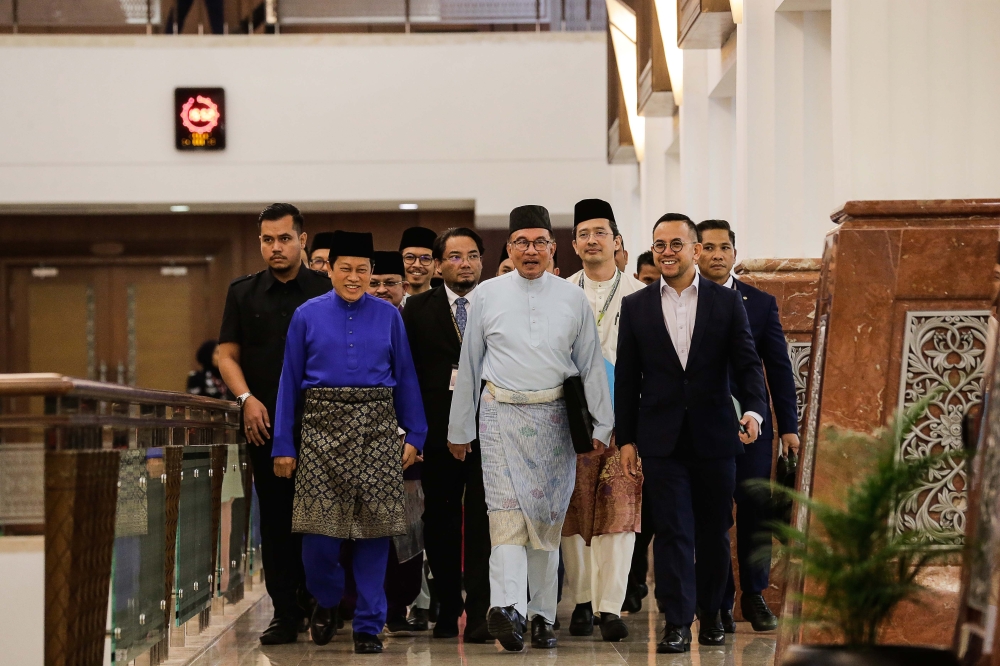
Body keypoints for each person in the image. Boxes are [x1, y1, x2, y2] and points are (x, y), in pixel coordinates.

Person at [448, 205, 614, 652]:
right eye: (521, 242)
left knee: (545, 522)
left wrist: (603, 423)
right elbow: (470, 366)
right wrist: (460, 428)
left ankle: (541, 615)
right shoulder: (486, 294)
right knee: (504, 517)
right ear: (508, 247)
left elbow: (590, 367)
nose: (531, 250)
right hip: (499, 415)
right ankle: (507, 608)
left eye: (540, 242)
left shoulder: (572, 297)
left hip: (555, 420)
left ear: (553, 248)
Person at [615, 213, 767, 653]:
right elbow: (627, 378)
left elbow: (747, 363)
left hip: (717, 435)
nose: (666, 251)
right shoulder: (637, 305)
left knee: (714, 530)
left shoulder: (725, 302)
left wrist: (754, 412)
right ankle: (677, 622)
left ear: (695, 249)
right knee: (672, 530)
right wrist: (627, 438)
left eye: (676, 244)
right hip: (660, 439)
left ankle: (714, 612)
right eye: (659, 244)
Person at [271, 230, 428, 654]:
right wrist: (283, 444)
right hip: (320, 429)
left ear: (372, 272)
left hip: (378, 427)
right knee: (318, 538)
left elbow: (406, 375)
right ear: (331, 271)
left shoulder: (389, 315)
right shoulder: (306, 314)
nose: (354, 277)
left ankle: (368, 625)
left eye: (363, 270)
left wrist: (416, 432)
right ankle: (325, 598)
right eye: (346, 269)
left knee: (376, 534)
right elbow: (289, 382)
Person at [217, 203, 333, 645]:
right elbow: (227, 355)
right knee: (278, 521)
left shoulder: (327, 289)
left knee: (324, 518)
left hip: (326, 424)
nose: (276, 247)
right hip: (264, 426)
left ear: (303, 240)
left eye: (285, 238)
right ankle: (285, 612)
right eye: (268, 239)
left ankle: (322, 602)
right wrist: (246, 398)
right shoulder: (243, 293)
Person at [696, 219, 799, 633]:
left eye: (724, 247)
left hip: (754, 425)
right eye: (708, 247)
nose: (716, 255)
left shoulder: (759, 303)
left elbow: (778, 368)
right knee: (714, 514)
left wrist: (788, 427)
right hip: (704, 426)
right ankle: (718, 602)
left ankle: (754, 595)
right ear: (695, 252)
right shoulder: (684, 302)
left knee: (755, 509)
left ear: (735, 254)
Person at [402, 227, 493, 642]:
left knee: (481, 523)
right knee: (438, 523)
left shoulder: (496, 305)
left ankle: (478, 611)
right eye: (455, 257)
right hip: (437, 436)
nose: (465, 263)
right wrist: (413, 434)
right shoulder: (416, 310)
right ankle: (445, 608)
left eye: (472, 255)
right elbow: (405, 377)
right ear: (438, 266)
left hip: (490, 433)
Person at [562, 199, 646, 642]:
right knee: (574, 512)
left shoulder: (640, 294)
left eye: (600, 232)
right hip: (571, 420)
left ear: (616, 241)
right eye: (583, 234)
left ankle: (610, 606)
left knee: (620, 513)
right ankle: (580, 600)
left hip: (624, 420)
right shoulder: (559, 293)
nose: (591, 240)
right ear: (574, 245)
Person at [362, 248, 426, 634]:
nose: (383, 289)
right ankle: (364, 606)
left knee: (407, 526)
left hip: (408, 442)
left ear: (404, 286)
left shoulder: (416, 320)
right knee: (366, 527)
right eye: (375, 283)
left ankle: (400, 607)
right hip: (362, 441)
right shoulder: (351, 319)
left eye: (390, 283)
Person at [400, 227, 438, 297]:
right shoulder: (389, 303)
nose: (417, 265)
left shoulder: (445, 303)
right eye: (410, 257)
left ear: (436, 265)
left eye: (425, 258)